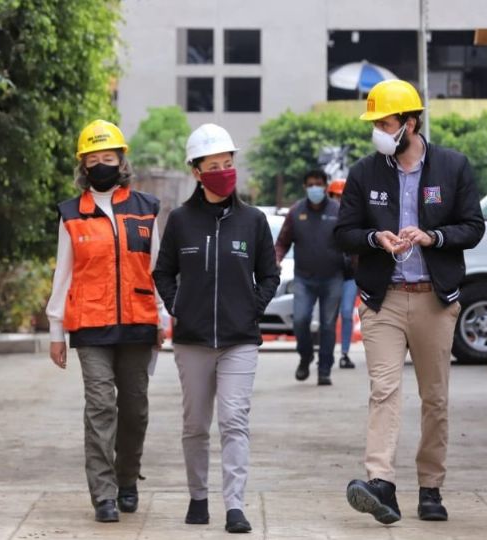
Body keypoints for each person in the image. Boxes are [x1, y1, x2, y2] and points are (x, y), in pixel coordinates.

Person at [334, 80, 484, 524]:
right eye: (376, 123)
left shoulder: (453, 167)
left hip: (435, 301)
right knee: (384, 389)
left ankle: (431, 486)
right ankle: (381, 483)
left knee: (435, 398)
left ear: (410, 123)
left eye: (385, 122)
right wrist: (374, 239)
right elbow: (342, 232)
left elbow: (472, 226)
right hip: (384, 300)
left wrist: (433, 236)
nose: (379, 130)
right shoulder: (364, 172)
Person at [153, 123, 280, 534]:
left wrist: (251, 311)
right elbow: (163, 272)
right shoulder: (180, 221)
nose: (225, 171)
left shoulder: (254, 221)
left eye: (229, 163)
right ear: (196, 171)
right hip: (192, 341)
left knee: (234, 420)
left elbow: (269, 276)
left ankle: (235, 506)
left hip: (239, 340)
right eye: (214, 165)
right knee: (195, 425)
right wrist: (178, 308)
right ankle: (197, 497)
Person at [46, 119, 165, 523]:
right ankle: (104, 494)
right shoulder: (70, 214)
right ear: (83, 164)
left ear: (121, 161)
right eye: (93, 158)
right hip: (90, 325)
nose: (101, 164)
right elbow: (63, 275)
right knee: (100, 406)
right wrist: (55, 331)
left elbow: (157, 269)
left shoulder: (146, 209)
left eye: (108, 157)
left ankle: (127, 478)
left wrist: (164, 319)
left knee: (136, 409)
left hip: (138, 322)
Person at [274, 169, 350, 385]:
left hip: (332, 277)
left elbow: (350, 240)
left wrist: (354, 264)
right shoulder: (296, 212)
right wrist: (277, 258)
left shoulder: (338, 211)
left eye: (319, 184)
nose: (315, 188)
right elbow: (282, 242)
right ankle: (305, 357)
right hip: (304, 279)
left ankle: (324, 369)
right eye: (310, 184)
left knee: (327, 324)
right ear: (305, 187)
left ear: (325, 186)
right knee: (300, 320)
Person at [328, 178, 358, 369]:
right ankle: (326, 353)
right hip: (329, 274)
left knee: (347, 313)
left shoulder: (356, 217)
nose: (339, 201)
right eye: (335, 196)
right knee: (328, 317)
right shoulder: (323, 219)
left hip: (350, 275)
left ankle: (344, 353)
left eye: (342, 196)